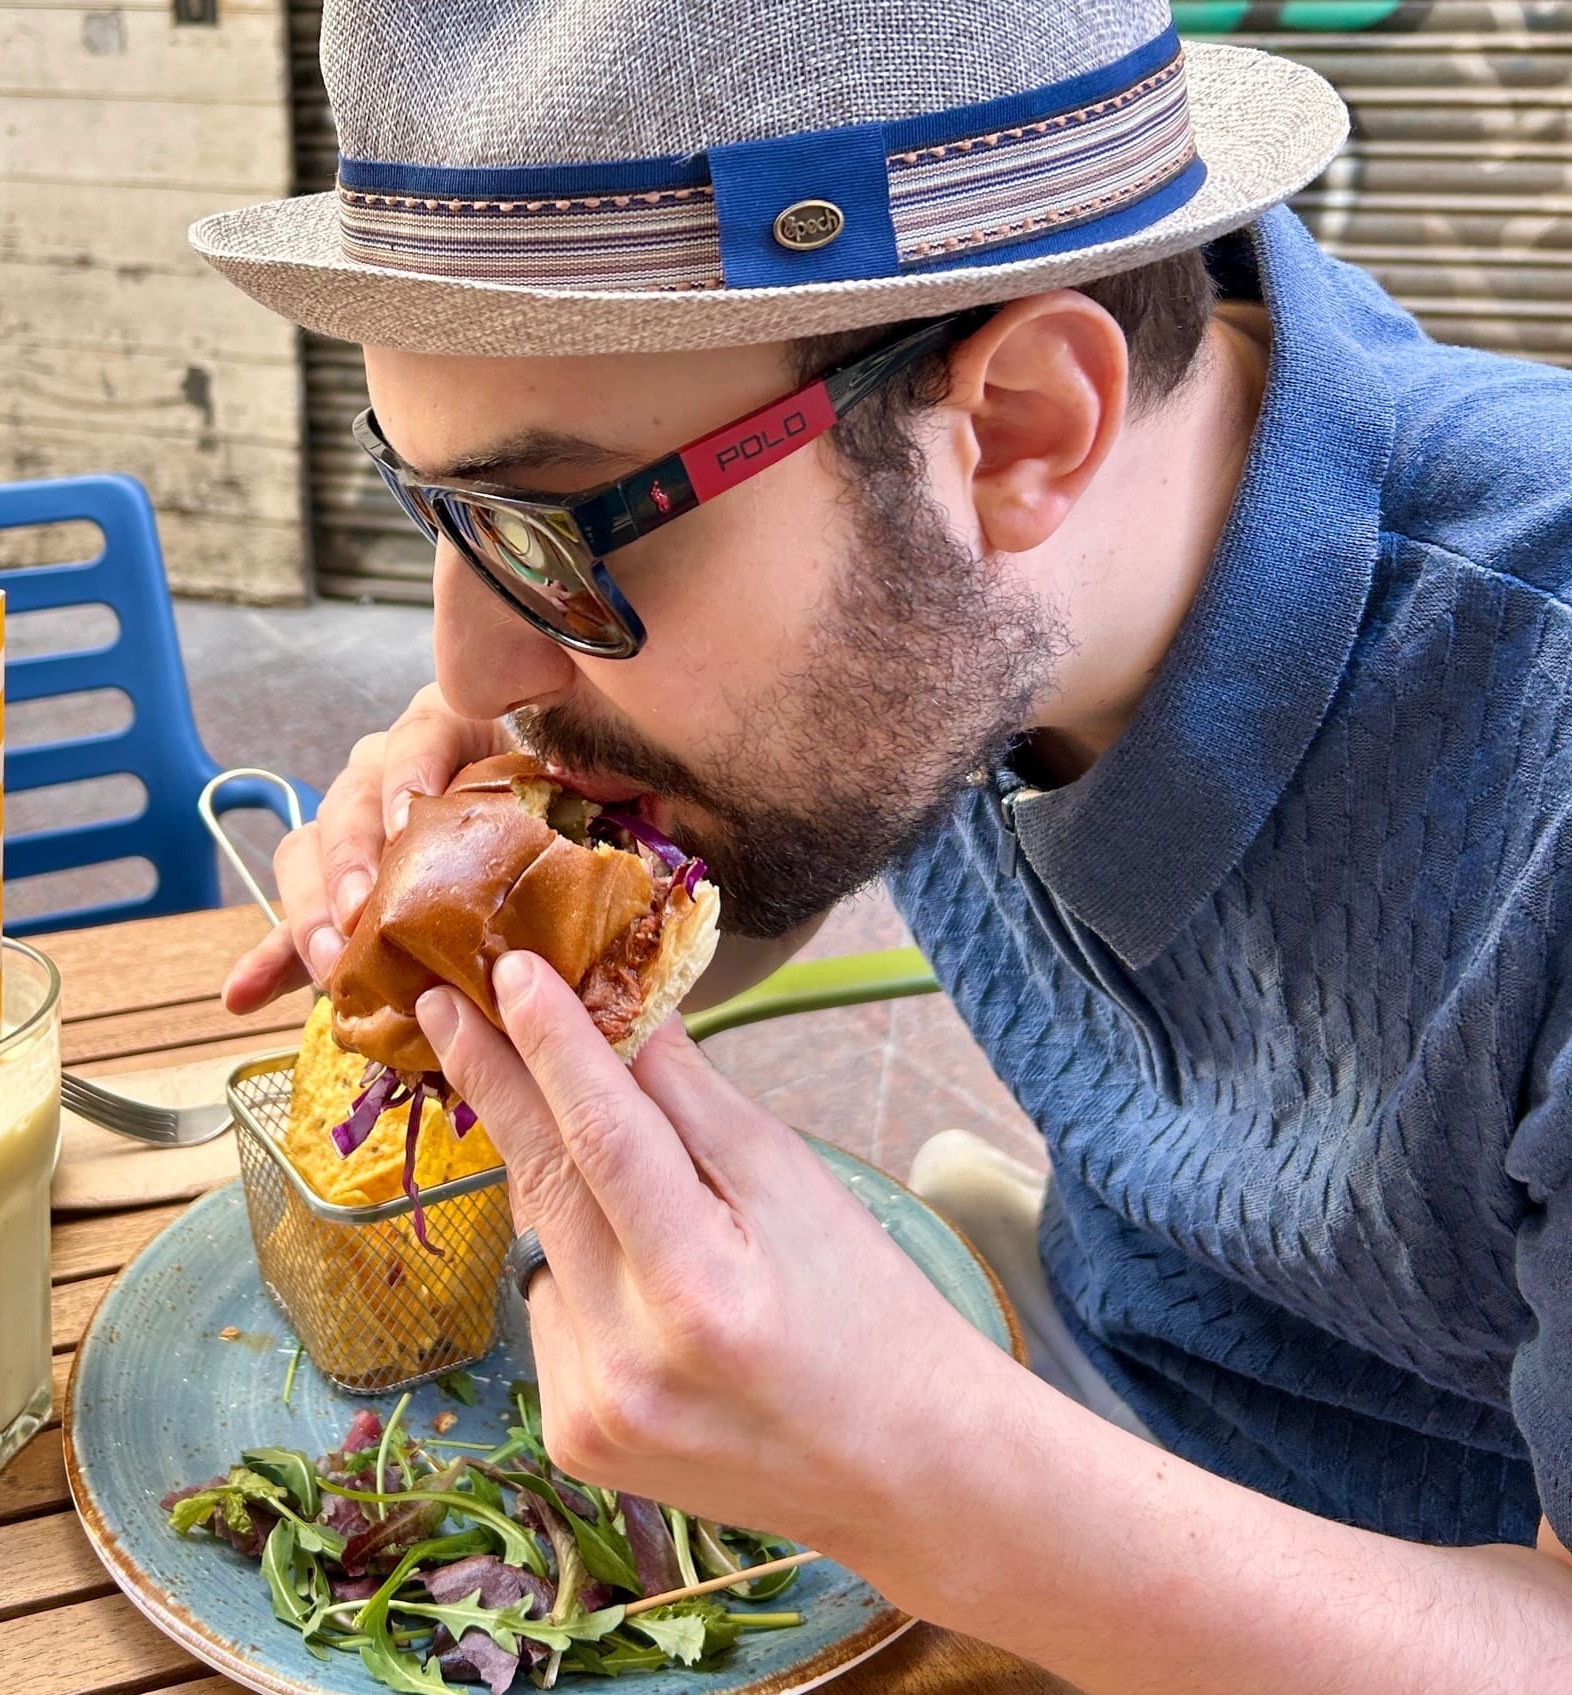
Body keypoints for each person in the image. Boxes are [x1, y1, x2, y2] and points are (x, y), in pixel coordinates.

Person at [204, 0, 1572, 1684]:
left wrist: (918, 1467)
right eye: (440, 513)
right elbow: (767, 882)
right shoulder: (971, 597)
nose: (467, 672)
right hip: (1066, 1424)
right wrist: (548, 892)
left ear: (1016, 432)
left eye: (550, 530)